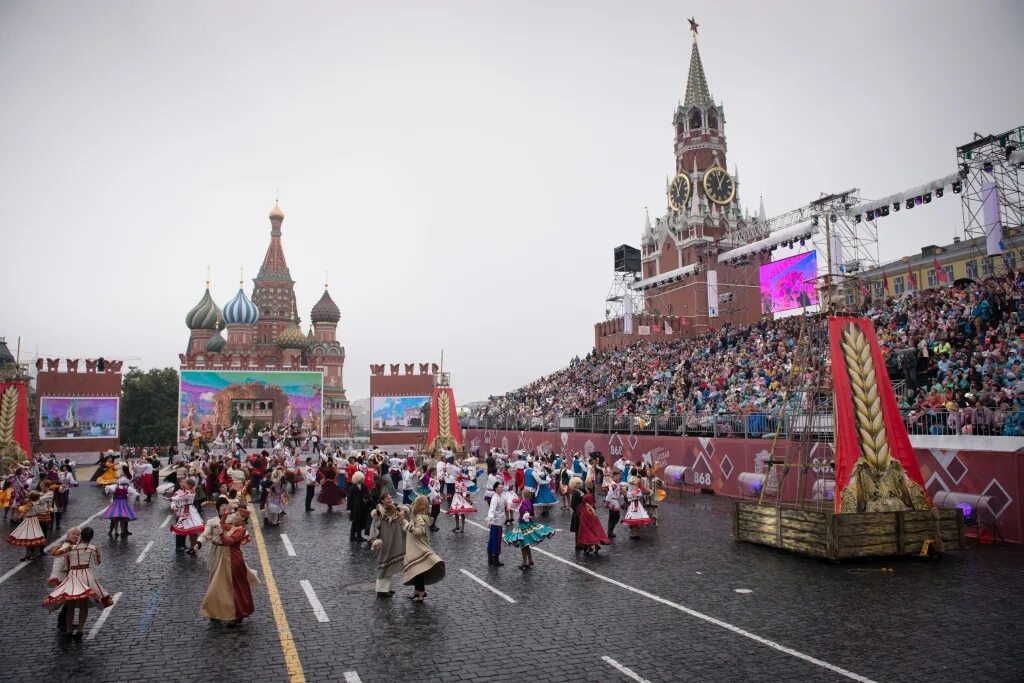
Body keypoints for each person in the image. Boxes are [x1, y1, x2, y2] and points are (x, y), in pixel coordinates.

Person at [42, 526, 113, 640]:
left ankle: (69, 631)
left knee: (70, 606)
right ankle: (80, 631)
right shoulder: (93, 548)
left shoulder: (71, 547)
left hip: (73, 576)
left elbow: (55, 553)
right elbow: (97, 562)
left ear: (81, 536)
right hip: (86, 577)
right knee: (83, 606)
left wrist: (57, 545)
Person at [200, 508, 260, 627]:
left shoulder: (241, 530)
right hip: (227, 559)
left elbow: (228, 542)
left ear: (242, 518)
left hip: (233, 560)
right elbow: (223, 524)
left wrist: (220, 532)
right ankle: (219, 612)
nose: (234, 516)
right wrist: (225, 515)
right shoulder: (234, 527)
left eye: (237, 515)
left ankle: (239, 614)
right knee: (222, 585)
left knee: (235, 588)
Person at [400, 495, 446, 602]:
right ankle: (417, 591)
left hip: (418, 547)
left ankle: (421, 592)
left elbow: (419, 532)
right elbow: (409, 511)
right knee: (417, 570)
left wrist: (405, 523)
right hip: (414, 546)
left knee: (419, 571)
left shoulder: (419, 517)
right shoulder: (416, 515)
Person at [503, 490, 555, 570]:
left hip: (523, 525)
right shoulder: (528, 501)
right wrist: (512, 508)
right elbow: (526, 512)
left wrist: (513, 509)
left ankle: (525, 562)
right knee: (526, 544)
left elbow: (523, 512)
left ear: (524, 494)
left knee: (523, 544)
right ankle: (530, 560)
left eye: (522, 493)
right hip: (528, 524)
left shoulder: (524, 502)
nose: (521, 494)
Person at [369, 494, 406, 597]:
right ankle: (381, 590)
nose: (390, 500)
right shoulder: (378, 513)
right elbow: (373, 527)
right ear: (382, 501)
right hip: (384, 541)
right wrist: (374, 540)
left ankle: (387, 588)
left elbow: (404, 517)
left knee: (390, 565)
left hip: (394, 540)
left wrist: (405, 511)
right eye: (388, 499)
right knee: (384, 563)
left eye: (390, 498)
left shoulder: (396, 509)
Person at [7, 491, 48, 560]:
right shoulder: (38, 502)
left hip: (29, 520)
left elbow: (24, 510)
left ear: (30, 498)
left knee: (28, 537)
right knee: (35, 537)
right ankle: (35, 554)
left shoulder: (30, 504)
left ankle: (29, 554)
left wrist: (19, 517)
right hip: (35, 520)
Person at [170, 479, 205, 554]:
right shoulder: (180, 492)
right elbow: (174, 501)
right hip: (182, 512)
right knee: (185, 530)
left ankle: (193, 547)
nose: (182, 483)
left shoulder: (190, 492)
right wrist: (173, 507)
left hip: (189, 512)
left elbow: (182, 497)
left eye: (184, 482)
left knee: (192, 530)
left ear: (189, 485)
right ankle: (182, 546)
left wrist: (174, 498)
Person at [485, 481, 509, 567]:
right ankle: (495, 559)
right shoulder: (495, 498)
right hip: (496, 522)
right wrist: (489, 519)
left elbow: (507, 501)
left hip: (499, 521)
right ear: (496, 489)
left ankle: (490, 558)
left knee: (492, 539)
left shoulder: (502, 496)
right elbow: (492, 509)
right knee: (496, 540)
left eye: (502, 487)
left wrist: (509, 505)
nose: (502, 489)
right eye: (500, 487)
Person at [346, 471, 370, 542]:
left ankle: (356, 536)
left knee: (360, 521)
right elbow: (349, 499)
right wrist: (348, 509)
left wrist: (366, 499)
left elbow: (367, 495)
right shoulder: (352, 487)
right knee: (355, 522)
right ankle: (354, 536)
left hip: (362, 507)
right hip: (355, 508)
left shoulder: (364, 486)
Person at [604, 470, 623, 538]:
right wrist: (607, 502)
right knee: (615, 517)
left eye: (619, 476)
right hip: (613, 502)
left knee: (612, 517)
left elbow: (616, 494)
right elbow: (610, 493)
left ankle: (610, 531)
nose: (619, 477)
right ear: (614, 476)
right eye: (618, 476)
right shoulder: (613, 484)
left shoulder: (616, 484)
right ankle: (610, 531)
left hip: (615, 501)